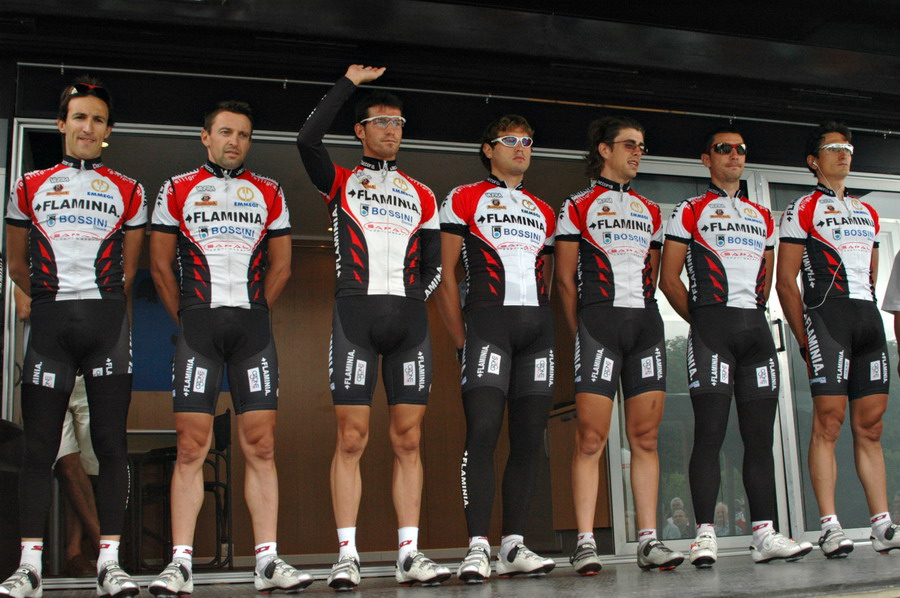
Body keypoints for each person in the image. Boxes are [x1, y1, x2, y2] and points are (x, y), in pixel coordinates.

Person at [149, 101, 312, 595]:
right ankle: (180, 563)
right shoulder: (176, 188)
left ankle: (267, 560)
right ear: (206, 137)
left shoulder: (269, 190)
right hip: (198, 328)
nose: (234, 141)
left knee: (261, 444)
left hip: (252, 332)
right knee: (190, 446)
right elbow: (159, 266)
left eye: (243, 134)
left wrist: (254, 310)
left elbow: (282, 265)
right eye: (225, 132)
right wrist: (189, 316)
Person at [297, 65, 447, 589]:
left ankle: (409, 552)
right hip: (355, 319)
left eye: (398, 122)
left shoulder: (422, 193)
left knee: (409, 440)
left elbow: (435, 266)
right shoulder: (340, 181)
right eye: (380, 121)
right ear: (360, 130)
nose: (391, 129)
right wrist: (347, 85)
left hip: (408, 323)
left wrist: (413, 299)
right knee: (351, 438)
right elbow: (307, 140)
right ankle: (347, 554)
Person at [2, 77, 145, 598]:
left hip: (105, 327)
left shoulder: (129, 189)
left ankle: (110, 562)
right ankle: (29, 567)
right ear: (61, 123)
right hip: (51, 326)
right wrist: (51, 297)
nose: (88, 127)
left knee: (110, 446)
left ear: (107, 130)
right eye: (80, 117)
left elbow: (129, 271)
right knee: (39, 449)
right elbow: (16, 264)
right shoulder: (29, 185)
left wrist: (96, 302)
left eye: (98, 119)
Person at [660, 126, 812, 567]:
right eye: (723, 149)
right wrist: (703, 320)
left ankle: (765, 533)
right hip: (712, 329)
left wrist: (745, 317)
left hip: (756, 331)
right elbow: (668, 279)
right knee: (709, 434)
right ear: (706, 159)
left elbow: (767, 279)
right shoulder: (690, 209)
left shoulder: (763, 216)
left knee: (760, 440)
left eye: (741, 149)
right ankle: (704, 535)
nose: (734, 155)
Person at [556, 116, 683, 574]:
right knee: (591, 438)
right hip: (598, 324)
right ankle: (585, 542)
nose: (637, 153)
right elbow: (564, 281)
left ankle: (649, 540)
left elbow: (654, 274)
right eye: (629, 145)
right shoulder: (577, 205)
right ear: (604, 150)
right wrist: (581, 332)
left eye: (642, 146)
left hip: (645, 325)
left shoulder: (651, 210)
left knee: (646, 437)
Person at [436, 115, 557, 582]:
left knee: (529, 439)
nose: (521, 148)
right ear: (488, 149)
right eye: (510, 140)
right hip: (487, 326)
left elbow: (548, 277)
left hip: (536, 332)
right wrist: (461, 340)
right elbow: (445, 276)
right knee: (483, 432)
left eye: (527, 141)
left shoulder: (544, 210)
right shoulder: (463, 197)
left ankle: (514, 544)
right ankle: (476, 547)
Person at [779, 121, 899, 557]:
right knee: (828, 423)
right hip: (827, 321)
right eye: (832, 147)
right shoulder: (802, 208)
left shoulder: (868, 213)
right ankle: (829, 526)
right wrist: (803, 337)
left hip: (867, 321)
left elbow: (870, 272)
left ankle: (882, 524)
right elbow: (785, 281)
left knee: (872, 426)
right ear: (814, 161)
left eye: (847, 146)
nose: (843, 153)